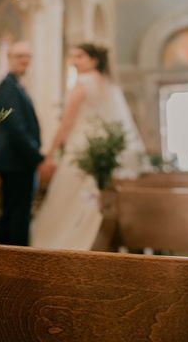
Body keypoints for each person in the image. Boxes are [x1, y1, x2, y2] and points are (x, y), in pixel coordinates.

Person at [31, 43, 145, 250]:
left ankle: (67, 243)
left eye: (80, 56)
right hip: (101, 150)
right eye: (72, 57)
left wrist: (50, 154)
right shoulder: (108, 84)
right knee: (93, 195)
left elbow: (66, 124)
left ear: (94, 60)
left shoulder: (83, 83)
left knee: (69, 197)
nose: (74, 61)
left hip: (80, 148)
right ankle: (98, 242)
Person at [0, 41, 47, 246]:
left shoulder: (16, 86)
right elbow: (16, 128)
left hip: (19, 162)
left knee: (15, 214)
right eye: (19, 56)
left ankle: (7, 262)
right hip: (15, 162)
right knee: (16, 217)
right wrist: (37, 157)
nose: (24, 60)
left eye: (28, 56)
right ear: (9, 58)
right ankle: (15, 263)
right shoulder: (7, 87)